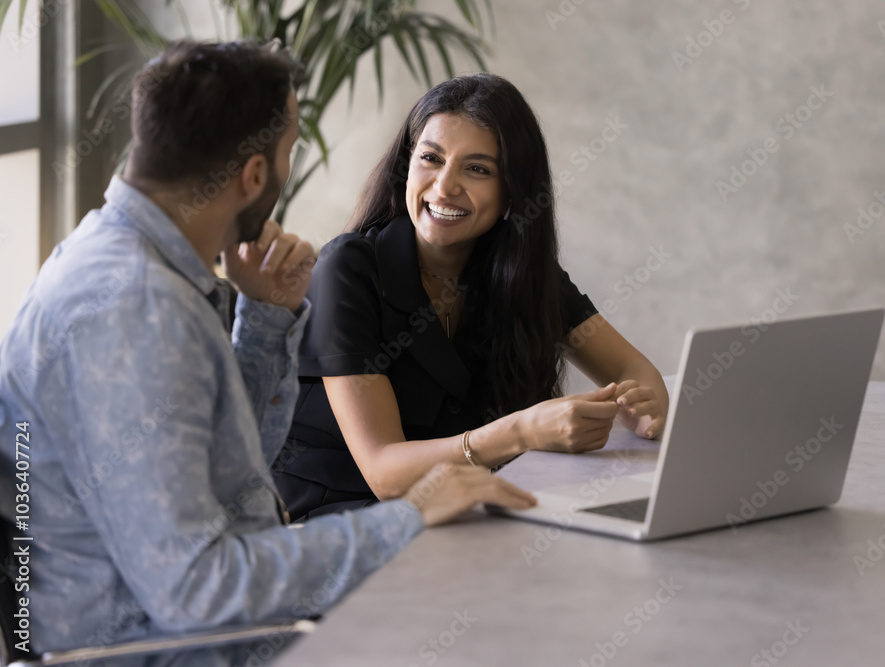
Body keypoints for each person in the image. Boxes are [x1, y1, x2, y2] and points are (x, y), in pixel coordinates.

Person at [0, 41, 534, 660]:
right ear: (255, 175)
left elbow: (223, 471)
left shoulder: (127, 260)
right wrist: (410, 515)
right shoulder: (139, 310)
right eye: (287, 154)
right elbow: (195, 589)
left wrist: (264, 317)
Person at [273, 73, 670, 520]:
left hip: (460, 514)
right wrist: (523, 431)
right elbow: (383, 473)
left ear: (511, 195)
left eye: (477, 169)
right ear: (408, 164)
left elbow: (635, 370)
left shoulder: (521, 273)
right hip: (339, 523)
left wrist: (642, 407)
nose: (444, 187)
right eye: (431, 158)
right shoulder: (348, 269)